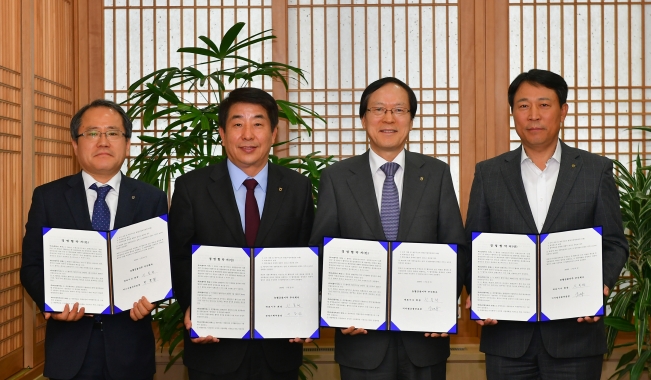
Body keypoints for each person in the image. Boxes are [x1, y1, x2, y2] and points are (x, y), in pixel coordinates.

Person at [464, 69, 629, 379]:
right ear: (512, 114)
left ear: (563, 111)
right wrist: (478, 291)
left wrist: (600, 286)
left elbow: (614, 243)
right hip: (506, 338)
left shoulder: (595, 171)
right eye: (523, 106)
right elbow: (475, 244)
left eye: (544, 104)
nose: (534, 115)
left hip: (576, 337)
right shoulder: (489, 174)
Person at [309, 77, 467, 379]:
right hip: (360, 339)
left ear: (411, 119)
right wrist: (335, 308)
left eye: (399, 110)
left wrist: (443, 307)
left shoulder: (436, 173)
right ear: (363, 118)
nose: (388, 118)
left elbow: (455, 247)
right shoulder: (337, 177)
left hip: (424, 338)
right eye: (378, 109)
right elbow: (321, 251)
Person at [168, 87, 315, 380]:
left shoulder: (298, 188)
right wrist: (192, 307)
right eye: (237, 124)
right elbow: (179, 256)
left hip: (279, 347)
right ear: (222, 133)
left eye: (258, 123)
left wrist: (307, 310)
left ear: (274, 134)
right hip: (212, 345)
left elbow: (308, 254)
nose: (248, 134)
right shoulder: (191, 188)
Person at [20, 99, 168, 380]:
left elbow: (160, 267)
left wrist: (153, 300)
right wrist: (52, 303)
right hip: (69, 348)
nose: (103, 141)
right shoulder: (48, 197)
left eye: (112, 133)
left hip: (130, 349)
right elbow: (31, 266)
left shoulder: (152, 199)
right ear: (75, 144)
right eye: (92, 133)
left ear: (127, 144)